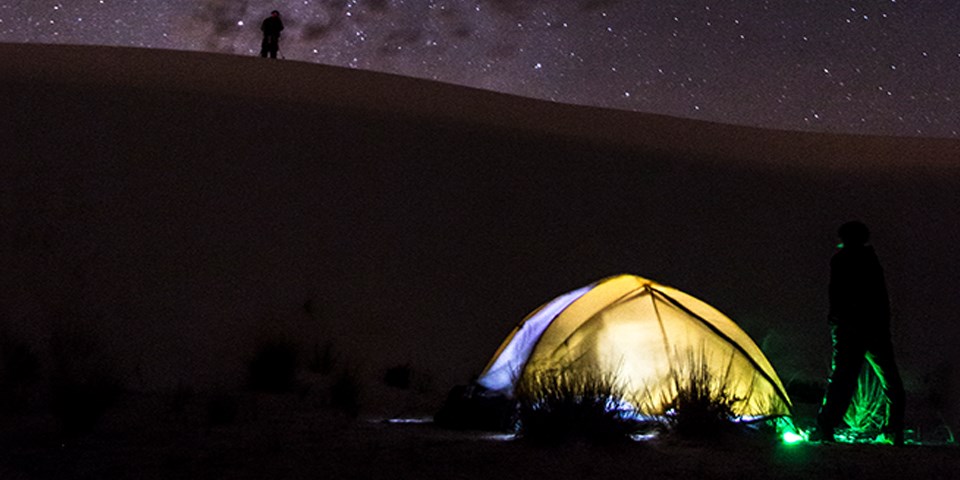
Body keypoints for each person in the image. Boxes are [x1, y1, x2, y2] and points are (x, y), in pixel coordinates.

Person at [814, 221, 905, 446]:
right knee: (889, 380)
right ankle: (893, 430)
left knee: (843, 380)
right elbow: (880, 298)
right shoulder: (869, 259)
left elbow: (838, 297)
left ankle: (825, 427)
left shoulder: (843, 260)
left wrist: (837, 323)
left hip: (852, 329)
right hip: (873, 329)